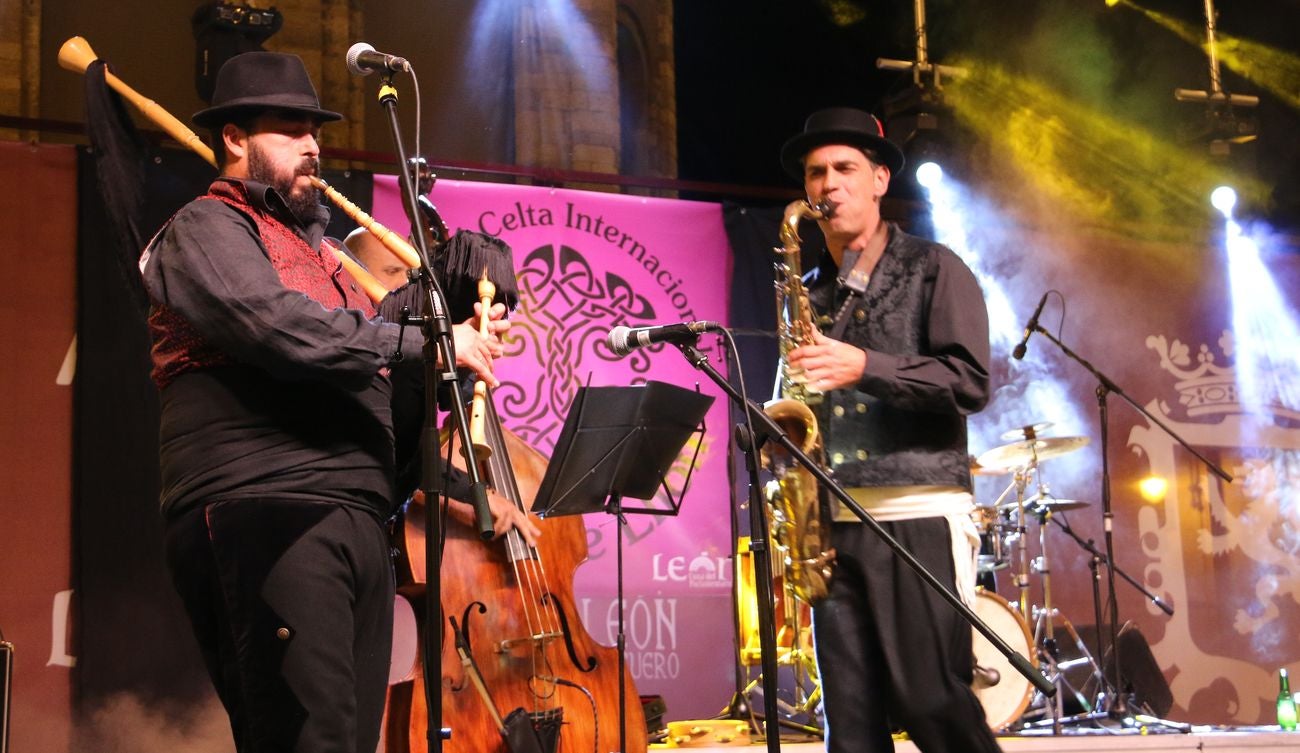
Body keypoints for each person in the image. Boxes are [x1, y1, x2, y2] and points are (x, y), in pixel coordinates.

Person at [140, 51, 509, 753]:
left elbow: (384, 409)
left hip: (355, 519)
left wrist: (451, 357)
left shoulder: (332, 268)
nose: (313, 145)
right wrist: (419, 343)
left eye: (316, 129)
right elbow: (275, 327)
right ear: (234, 138)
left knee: (342, 742)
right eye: (289, 128)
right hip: (270, 509)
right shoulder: (206, 228)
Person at [780, 107, 999, 753]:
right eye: (816, 172)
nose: (828, 184)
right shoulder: (809, 292)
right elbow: (790, 403)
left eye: (845, 168)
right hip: (829, 525)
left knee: (931, 699)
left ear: (879, 179)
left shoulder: (934, 266)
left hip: (916, 513)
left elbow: (968, 383)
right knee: (847, 727)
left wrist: (864, 366)